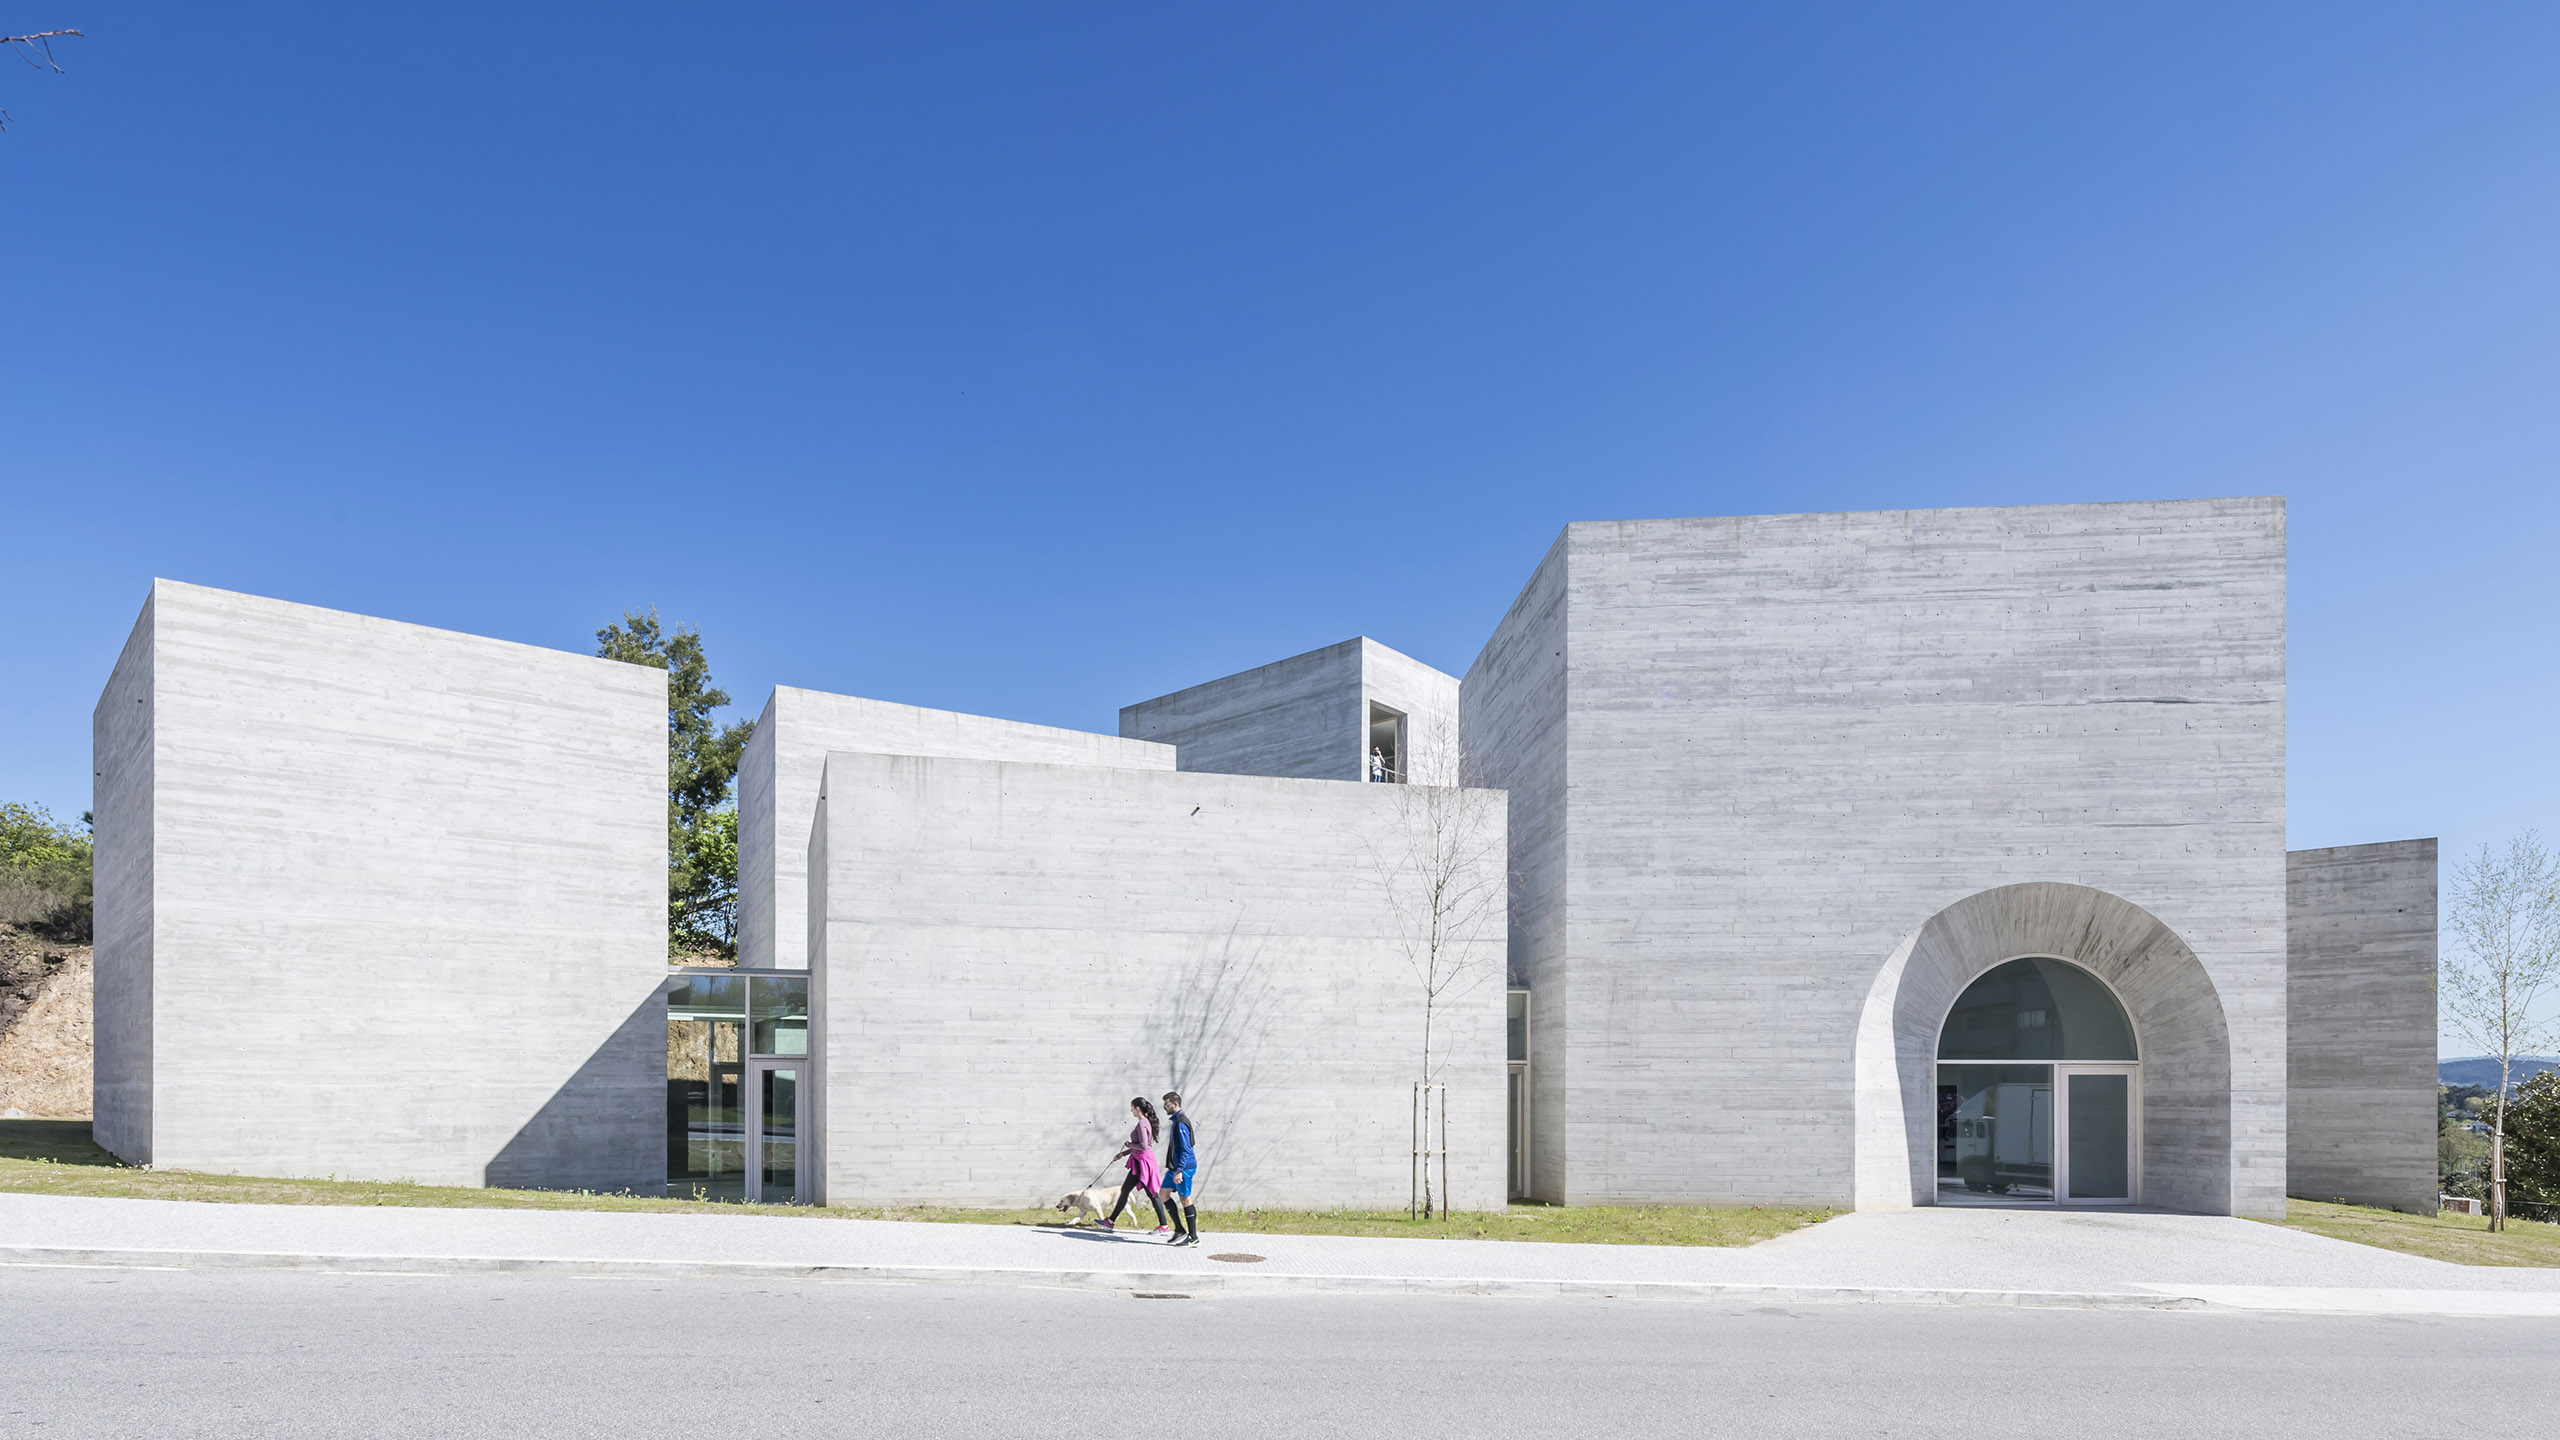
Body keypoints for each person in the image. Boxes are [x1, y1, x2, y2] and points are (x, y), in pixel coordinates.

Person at [1098, 1096, 1168, 1234]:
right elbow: (1142, 1146)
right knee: (1126, 1190)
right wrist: (1123, 1154)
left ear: (1137, 1108)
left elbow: (1143, 1146)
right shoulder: (1145, 1122)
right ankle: (1110, 1221)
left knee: (1152, 1194)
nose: (1131, 1110)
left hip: (1144, 1164)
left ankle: (1164, 1226)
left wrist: (1128, 1144)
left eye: (1132, 1108)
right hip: (1140, 1162)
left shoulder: (1142, 1123)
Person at [1160, 1091, 1200, 1246]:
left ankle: (1193, 1237)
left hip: (1184, 1168)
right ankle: (1179, 1230)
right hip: (1175, 1167)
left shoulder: (1181, 1122)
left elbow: (1186, 1148)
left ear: (1175, 1104)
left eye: (1167, 1105)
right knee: (1163, 1194)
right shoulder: (1176, 1121)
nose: (1164, 1108)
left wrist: (1180, 1170)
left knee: (1185, 1199)